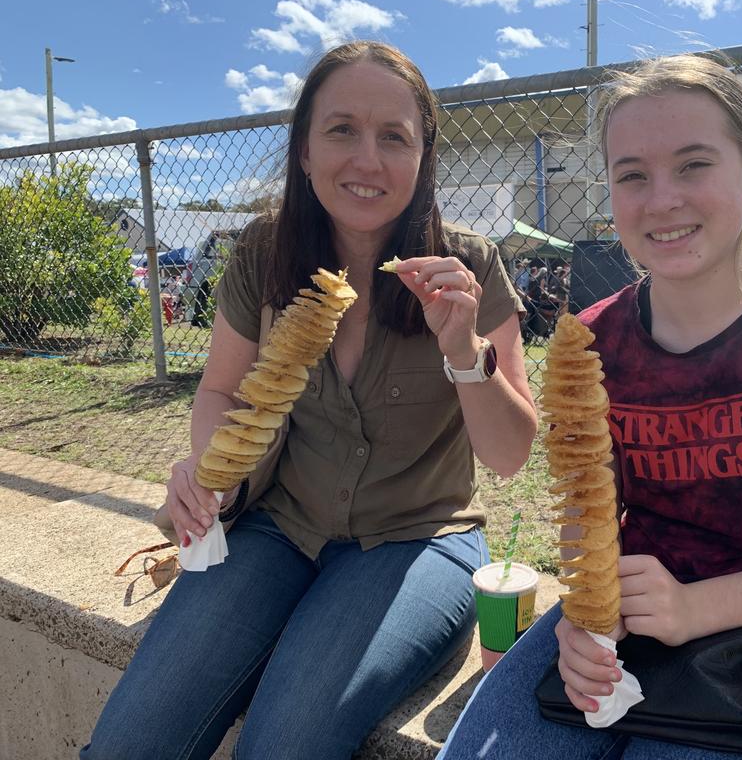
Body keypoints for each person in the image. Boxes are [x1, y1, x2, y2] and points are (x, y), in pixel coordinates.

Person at [437, 54, 742, 760]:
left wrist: (697, 608)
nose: (661, 199)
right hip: (627, 613)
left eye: (694, 164)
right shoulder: (595, 339)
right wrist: (583, 623)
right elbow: (589, 513)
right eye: (633, 174)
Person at [82, 41, 537, 760]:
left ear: (423, 158)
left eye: (395, 137)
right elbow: (222, 391)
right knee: (130, 744)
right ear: (302, 149)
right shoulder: (264, 254)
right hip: (276, 528)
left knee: (284, 744)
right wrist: (211, 472)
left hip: (418, 540)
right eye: (341, 130)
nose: (368, 159)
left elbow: (510, 455)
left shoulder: (469, 266)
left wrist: (463, 354)